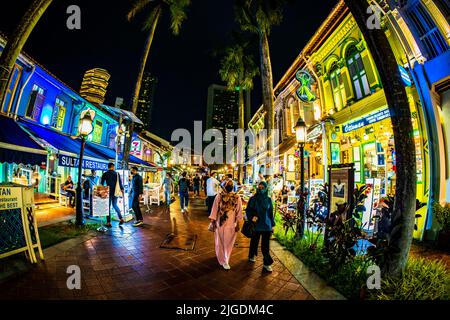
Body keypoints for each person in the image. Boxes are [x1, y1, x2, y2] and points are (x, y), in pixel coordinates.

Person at [209, 179, 243, 270]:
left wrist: (238, 224)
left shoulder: (237, 197)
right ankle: (223, 260)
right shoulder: (219, 196)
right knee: (219, 242)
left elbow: (239, 211)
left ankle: (225, 258)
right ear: (223, 186)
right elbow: (214, 209)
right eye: (227, 184)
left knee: (228, 243)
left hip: (231, 224)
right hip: (219, 223)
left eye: (231, 184)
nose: (229, 186)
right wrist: (213, 221)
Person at [246, 181, 275, 272]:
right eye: (260, 188)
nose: (261, 189)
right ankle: (252, 255)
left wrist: (272, 225)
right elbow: (248, 210)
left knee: (265, 246)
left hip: (267, 226)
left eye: (263, 188)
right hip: (256, 225)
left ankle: (267, 263)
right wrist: (251, 217)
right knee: (254, 242)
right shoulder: (253, 199)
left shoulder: (269, 199)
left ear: (266, 189)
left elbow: (270, 213)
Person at [100, 163, 125, 227]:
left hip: (108, 191)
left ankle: (108, 222)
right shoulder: (117, 174)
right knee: (115, 205)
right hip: (115, 192)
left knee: (107, 207)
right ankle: (121, 218)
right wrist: (122, 190)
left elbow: (101, 183)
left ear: (108, 167)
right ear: (113, 167)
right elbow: (120, 183)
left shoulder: (105, 174)